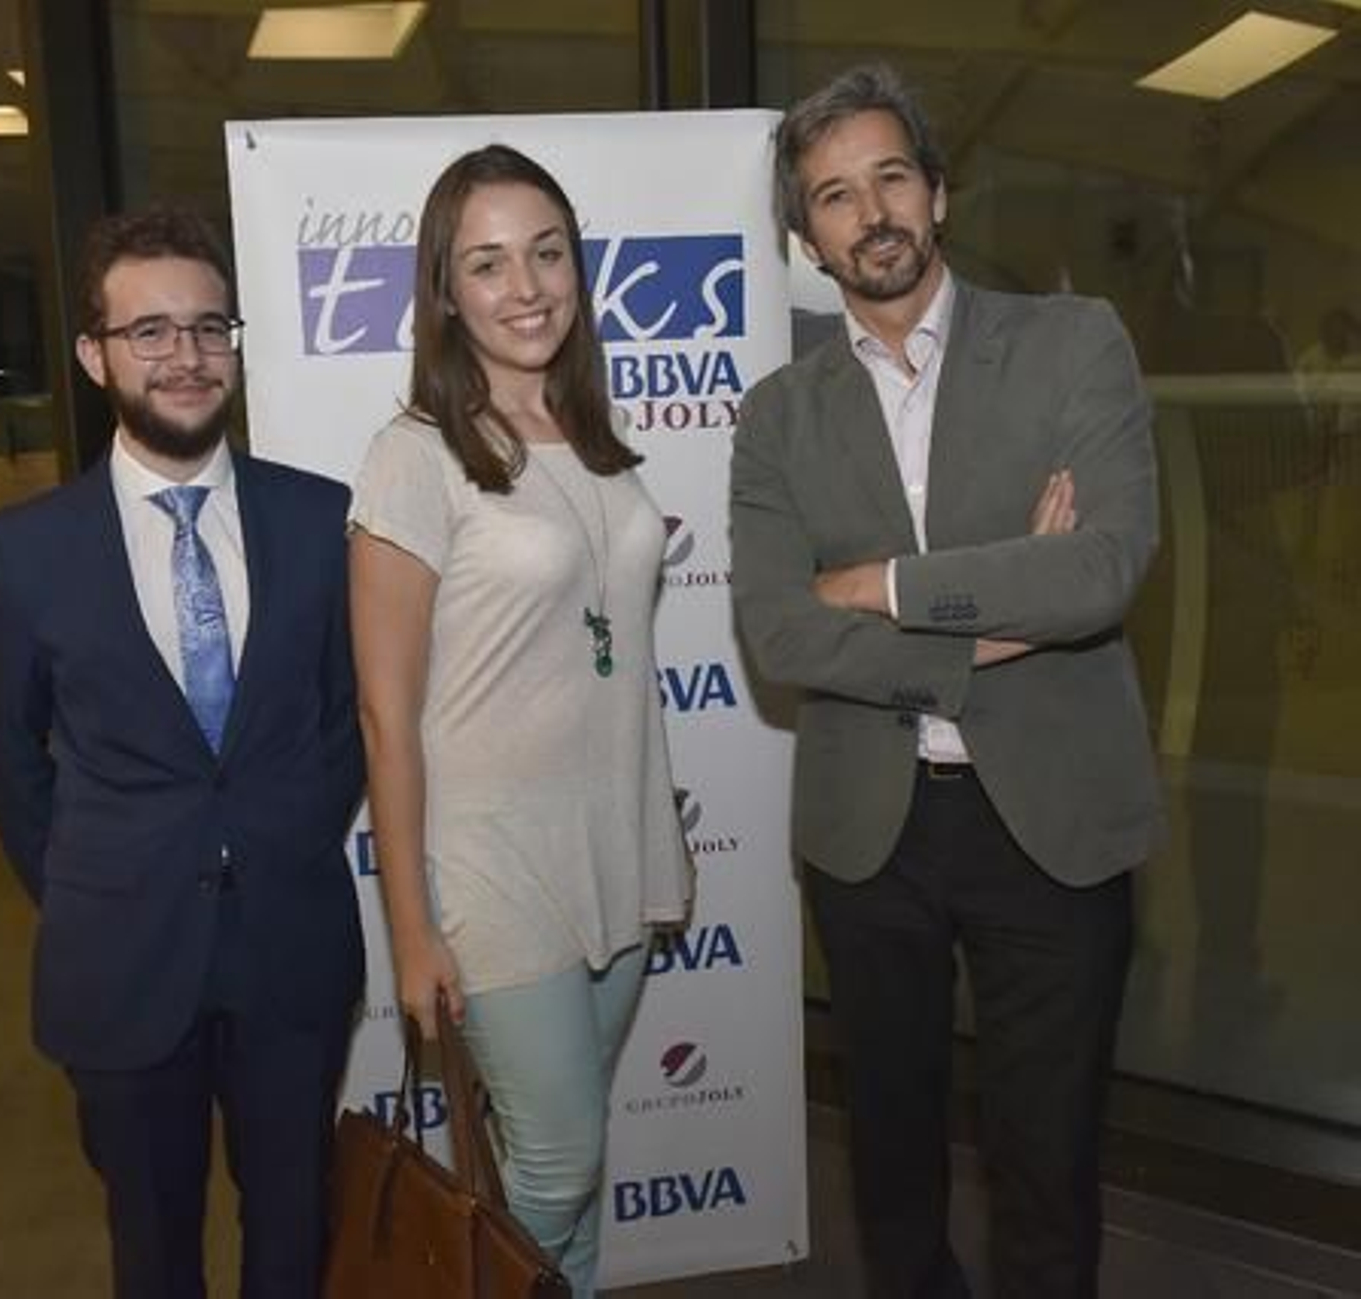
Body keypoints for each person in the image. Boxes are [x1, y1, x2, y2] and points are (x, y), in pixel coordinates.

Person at [730, 64, 1164, 1299]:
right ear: (803, 236)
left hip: (1054, 825)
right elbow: (775, 633)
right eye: (830, 195)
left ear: (939, 194)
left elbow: (1098, 573)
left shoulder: (1074, 343)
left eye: (889, 178)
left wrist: (876, 587)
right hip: (872, 834)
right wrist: (1001, 604)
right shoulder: (775, 418)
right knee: (890, 1160)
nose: (869, 213)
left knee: (1047, 1160)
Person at [0, 206, 364, 1299]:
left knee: (295, 1223)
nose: (184, 357)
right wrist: (93, 882)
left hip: (290, 948)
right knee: (152, 1240)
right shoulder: (29, 549)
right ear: (96, 355)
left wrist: (278, 834)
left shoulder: (315, 518)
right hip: (119, 961)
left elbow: (346, 720)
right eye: (149, 332)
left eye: (206, 327)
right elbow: (5, 755)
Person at [347, 143, 691, 1299]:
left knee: (572, 1185)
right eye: (486, 263)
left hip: (620, 847)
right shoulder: (413, 457)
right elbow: (385, 717)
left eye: (546, 253)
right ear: (444, 291)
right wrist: (409, 931)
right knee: (556, 1163)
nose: (526, 285)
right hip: (494, 866)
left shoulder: (597, 441)